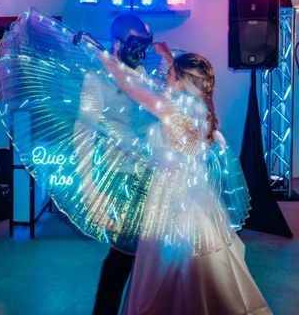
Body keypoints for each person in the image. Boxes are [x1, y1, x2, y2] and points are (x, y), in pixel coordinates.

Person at [99, 51, 271, 314]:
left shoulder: (172, 109)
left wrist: (102, 57)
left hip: (169, 199)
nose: (166, 76)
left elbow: (128, 86)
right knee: (196, 269)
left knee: (169, 268)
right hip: (196, 198)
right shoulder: (201, 109)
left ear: (182, 81)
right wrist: (170, 58)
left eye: (171, 73)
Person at [80, 14, 171, 315]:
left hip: (149, 171)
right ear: (118, 43)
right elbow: (84, 130)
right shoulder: (96, 78)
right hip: (116, 174)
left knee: (148, 252)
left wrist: (167, 64)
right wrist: (91, 189)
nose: (141, 52)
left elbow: (161, 108)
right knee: (122, 254)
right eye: (136, 44)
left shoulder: (143, 72)